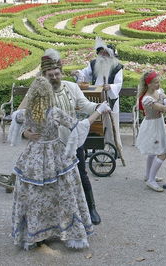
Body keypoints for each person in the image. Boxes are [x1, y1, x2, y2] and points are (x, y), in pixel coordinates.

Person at [10, 77, 111, 250]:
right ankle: (70, 232)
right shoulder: (54, 112)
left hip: (33, 158)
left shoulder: (27, 113)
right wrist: (100, 110)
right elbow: (79, 126)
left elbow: (14, 118)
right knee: (64, 193)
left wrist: (26, 133)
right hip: (56, 156)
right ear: (49, 93)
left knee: (36, 196)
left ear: (33, 94)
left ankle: (35, 233)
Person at [20, 49, 103, 225]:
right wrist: (25, 132)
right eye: (50, 75)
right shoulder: (38, 91)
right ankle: (55, 218)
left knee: (81, 175)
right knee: (51, 183)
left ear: (61, 72)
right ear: (44, 75)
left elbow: (85, 105)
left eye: (57, 74)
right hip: (48, 147)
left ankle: (90, 208)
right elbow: (21, 114)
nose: (54, 77)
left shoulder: (71, 87)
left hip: (72, 140)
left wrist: (98, 107)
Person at [72, 37, 124, 160]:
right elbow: (85, 74)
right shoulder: (94, 63)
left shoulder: (117, 67)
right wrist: (78, 73)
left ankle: (114, 149)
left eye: (105, 53)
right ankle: (98, 149)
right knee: (97, 125)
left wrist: (110, 87)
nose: (103, 55)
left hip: (110, 99)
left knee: (111, 127)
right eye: (101, 53)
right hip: (95, 99)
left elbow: (119, 84)